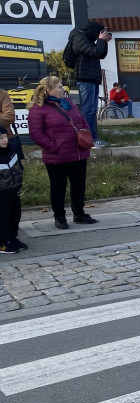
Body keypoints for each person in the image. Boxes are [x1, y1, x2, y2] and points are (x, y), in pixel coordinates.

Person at [27, 76, 97, 230]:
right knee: (58, 187)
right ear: (48, 90)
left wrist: (86, 133)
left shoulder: (68, 103)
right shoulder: (38, 109)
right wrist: (54, 147)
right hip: (57, 155)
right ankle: (59, 217)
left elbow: (81, 119)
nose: (63, 88)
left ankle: (79, 214)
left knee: (78, 185)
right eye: (59, 86)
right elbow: (36, 134)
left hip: (78, 152)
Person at [66, 20, 110, 146]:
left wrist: (104, 42)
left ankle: (93, 138)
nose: (98, 36)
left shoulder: (87, 39)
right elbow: (95, 52)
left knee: (92, 110)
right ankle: (89, 139)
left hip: (92, 78)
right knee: (88, 110)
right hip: (85, 79)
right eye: (99, 33)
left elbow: (100, 54)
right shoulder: (79, 37)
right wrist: (100, 40)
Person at [0, 129, 25, 253]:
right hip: (1, 192)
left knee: (15, 215)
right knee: (3, 218)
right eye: (1, 138)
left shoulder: (12, 149)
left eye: (5, 137)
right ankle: (3, 242)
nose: (4, 140)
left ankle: (13, 238)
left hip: (13, 189)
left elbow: (19, 167)